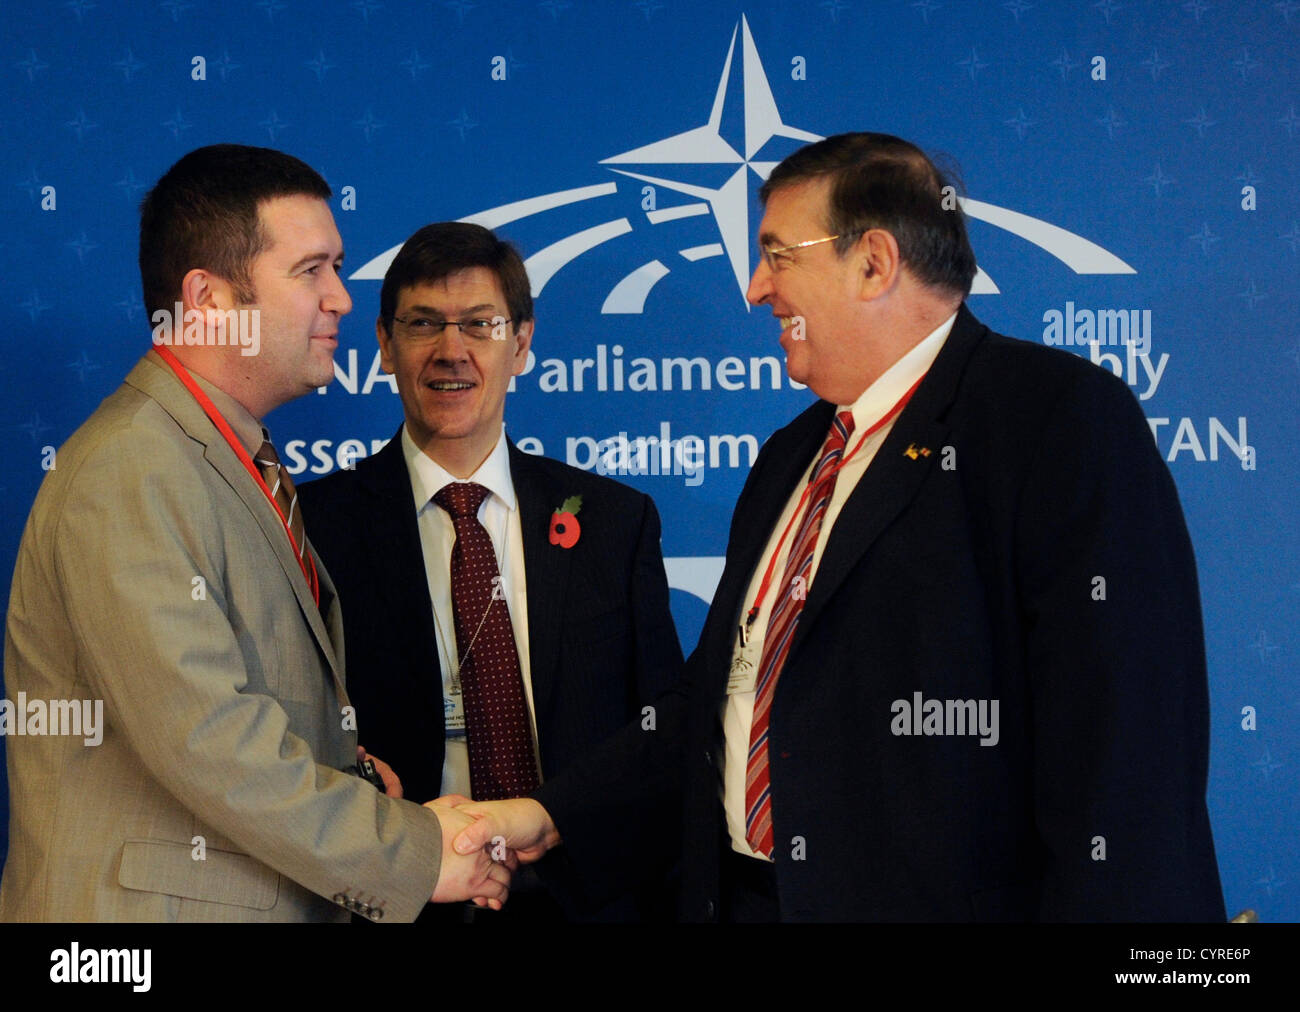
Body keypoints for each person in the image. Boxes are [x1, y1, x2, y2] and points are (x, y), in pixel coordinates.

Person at [449, 132, 1227, 922]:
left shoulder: (1054, 419)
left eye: (779, 256)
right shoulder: (792, 456)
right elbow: (720, 705)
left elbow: (1127, 754)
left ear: (874, 263)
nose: (755, 289)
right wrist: (547, 816)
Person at [0, 144, 507, 922]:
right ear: (206, 298)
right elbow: (209, 740)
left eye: (336, 268)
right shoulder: (135, 468)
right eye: (311, 271)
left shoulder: (229, 459)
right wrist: (412, 849)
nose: (341, 297)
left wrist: (351, 776)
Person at [298, 222, 683, 921]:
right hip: (395, 898)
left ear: (522, 344)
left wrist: (550, 813)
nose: (452, 352)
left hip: (584, 899)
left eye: (480, 324)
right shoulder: (314, 526)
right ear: (384, 345)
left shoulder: (615, 522)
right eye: (423, 324)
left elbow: (661, 732)